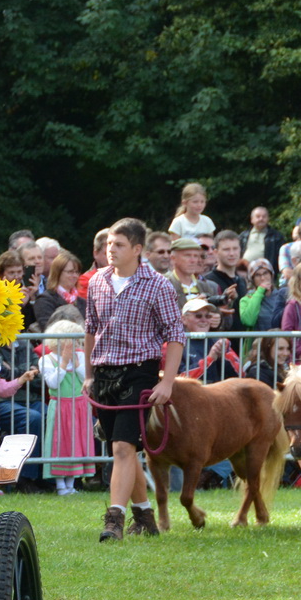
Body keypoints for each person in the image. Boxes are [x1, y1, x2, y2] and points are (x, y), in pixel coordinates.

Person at [83, 217, 185, 542]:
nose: (110, 250)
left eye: (119, 244)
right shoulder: (97, 281)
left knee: (123, 447)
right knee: (124, 451)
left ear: (137, 249)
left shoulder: (158, 285)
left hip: (139, 372)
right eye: (108, 244)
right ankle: (145, 516)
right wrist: (88, 375)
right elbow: (90, 329)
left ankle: (114, 520)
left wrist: (166, 382)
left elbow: (175, 334)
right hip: (104, 373)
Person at [38, 318, 92, 494]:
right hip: (60, 406)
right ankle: (60, 485)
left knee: (77, 443)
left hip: (80, 405)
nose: (76, 344)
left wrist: (76, 365)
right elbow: (53, 383)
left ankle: (71, 484)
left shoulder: (81, 356)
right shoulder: (46, 360)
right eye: (72, 339)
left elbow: (87, 379)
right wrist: (63, 363)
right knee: (60, 443)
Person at [237, 259, 285, 330]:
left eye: (265, 273)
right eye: (257, 275)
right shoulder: (246, 299)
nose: (262, 278)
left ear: (271, 275)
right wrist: (260, 291)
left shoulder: (282, 297)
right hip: (257, 337)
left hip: (280, 337)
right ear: (252, 279)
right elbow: (248, 321)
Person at [240, 206, 284, 271]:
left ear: (268, 219)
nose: (261, 219)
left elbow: (280, 257)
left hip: (265, 271)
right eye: (258, 217)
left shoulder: (276, 236)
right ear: (252, 220)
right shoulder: (243, 235)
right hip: (243, 270)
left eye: (264, 216)